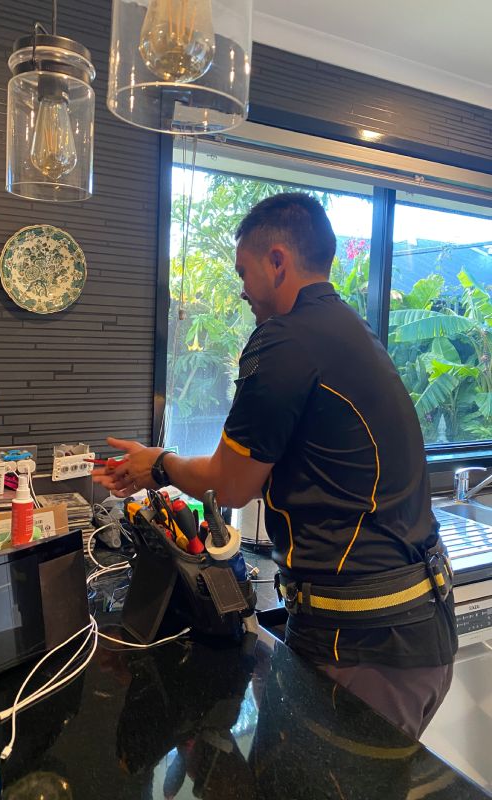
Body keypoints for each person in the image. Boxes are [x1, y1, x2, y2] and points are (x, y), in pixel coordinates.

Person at [93, 192, 457, 739]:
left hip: (365, 640)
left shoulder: (285, 338)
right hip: (412, 629)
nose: (242, 290)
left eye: (244, 271)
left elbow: (232, 483)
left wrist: (158, 465)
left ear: (278, 261)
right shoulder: (351, 333)